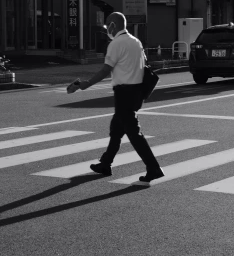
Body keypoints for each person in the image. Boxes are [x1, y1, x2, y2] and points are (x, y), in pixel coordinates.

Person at [67, 12, 164, 183]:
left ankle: (153, 168)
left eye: (107, 26)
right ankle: (105, 163)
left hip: (124, 93)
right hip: (137, 91)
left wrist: (85, 84)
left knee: (134, 134)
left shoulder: (116, 44)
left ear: (113, 25)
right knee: (117, 129)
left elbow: (106, 70)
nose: (106, 29)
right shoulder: (136, 41)